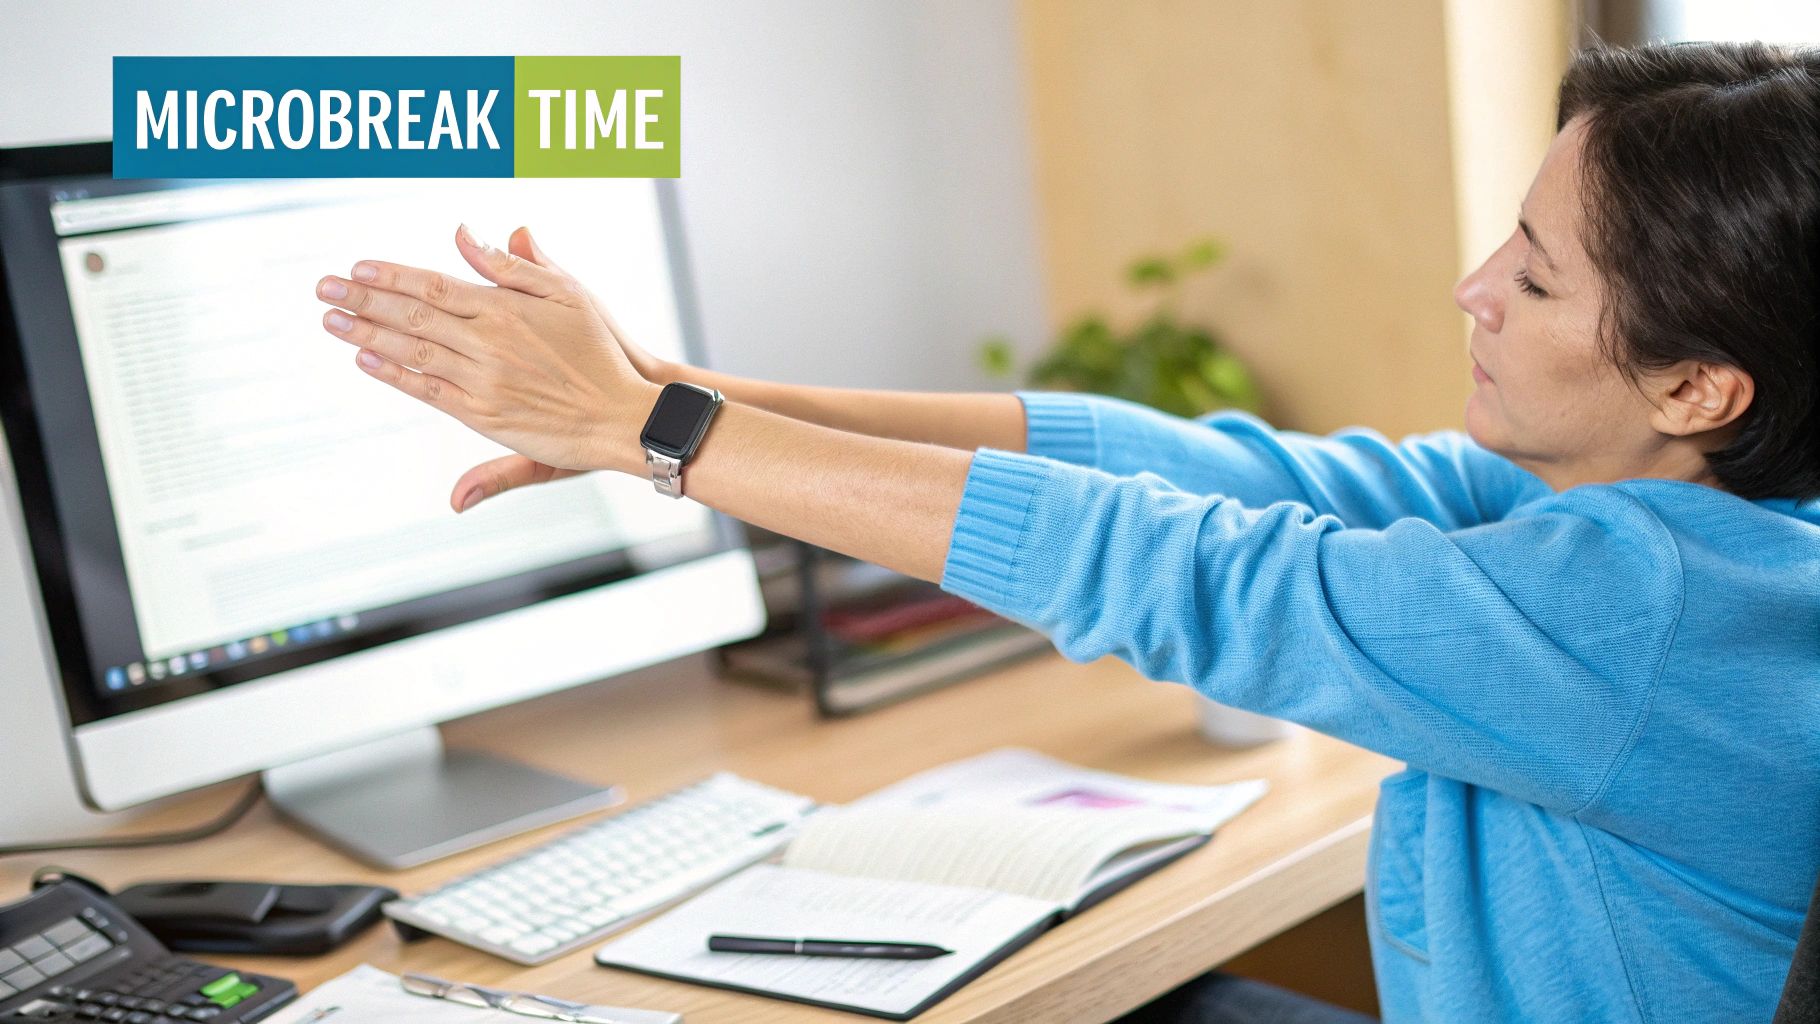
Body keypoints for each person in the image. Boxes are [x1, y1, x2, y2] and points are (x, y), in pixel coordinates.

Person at [310, 40, 1819, 1023]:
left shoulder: (1647, 610)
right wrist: (670, 390)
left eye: (1539, 280)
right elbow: (1243, 482)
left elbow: (1179, 569)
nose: (1474, 288)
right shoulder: (1716, 515)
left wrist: (661, 443)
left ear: (1697, 381)